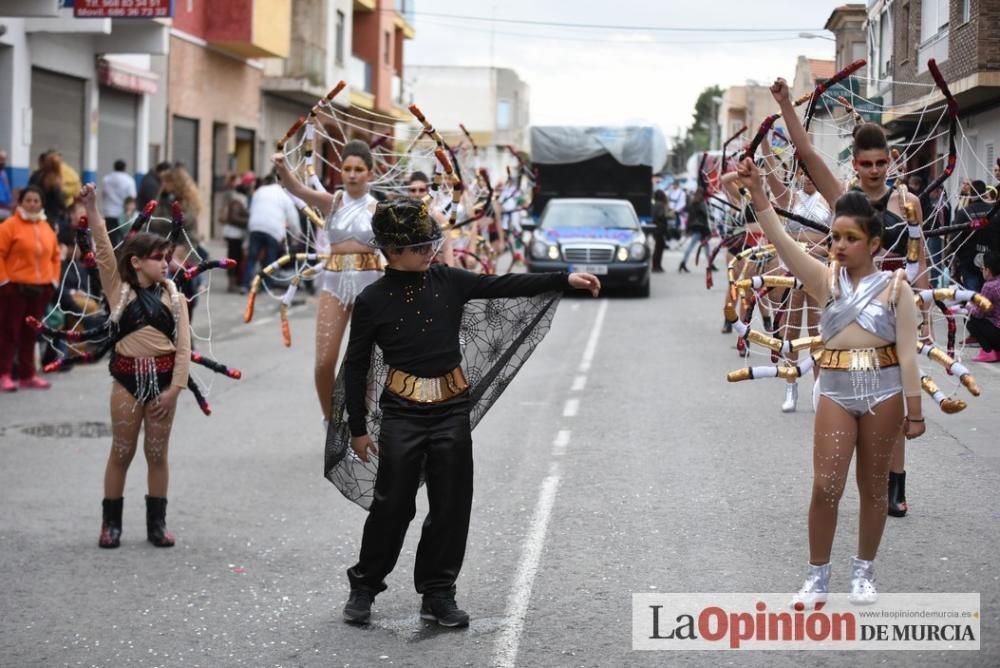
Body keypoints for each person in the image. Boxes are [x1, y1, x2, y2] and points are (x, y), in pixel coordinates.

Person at [338, 198, 601, 626]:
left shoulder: (450, 281)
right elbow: (356, 364)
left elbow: (503, 285)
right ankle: (365, 585)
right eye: (419, 246)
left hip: (451, 413)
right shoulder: (372, 301)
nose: (429, 252)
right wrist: (357, 428)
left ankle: (438, 593)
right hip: (400, 416)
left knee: (451, 504)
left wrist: (563, 278)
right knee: (393, 505)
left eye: (430, 244)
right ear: (391, 250)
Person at [737, 157, 924, 606]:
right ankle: (817, 575)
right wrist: (760, 194)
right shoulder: (825, 282)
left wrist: (914, 411)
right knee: (826, 486)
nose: (838, 245)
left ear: (874, 243)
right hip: (837, 393)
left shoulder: (897, 289)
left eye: (850, 238)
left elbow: (908, 354)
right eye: (835, 237)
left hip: (885, 394)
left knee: (874, 487)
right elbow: (781, 241)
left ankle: (864, 572)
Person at [771, 77, 927, 518]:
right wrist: (785, 104)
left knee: (893, 394)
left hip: (896, 305)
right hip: (850, 308)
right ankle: (838, 477)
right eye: (867, 163)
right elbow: (807, 156)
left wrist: (925, 307)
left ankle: (894, 485)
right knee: (844, 393)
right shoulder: (845, 200)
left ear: (890, 160)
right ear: (855, 165)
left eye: (882, 162)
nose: (875, 170)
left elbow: (921, 256)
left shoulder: (907, 201)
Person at [78, 183, 191, 549]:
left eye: (167, 257)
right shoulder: (117, 290)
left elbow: (184, 350)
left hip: (163, 384)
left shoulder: (176, 300)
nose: (165, 262)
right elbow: (104, 250)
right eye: (158, 257)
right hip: (125, 381)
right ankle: (110, 524)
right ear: (137, 262)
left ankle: (156, 525)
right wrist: (92, 207)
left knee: (157, 455)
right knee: (122, 452)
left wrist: (174, 390)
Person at [272, 139, 383, 424]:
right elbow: (297, 189)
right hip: (333, 283)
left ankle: (361, 425)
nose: (353, 174)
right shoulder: (331, 202)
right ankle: (331, 420)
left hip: (370, 286)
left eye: (359, 169)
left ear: (369, 173)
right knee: (324, 362)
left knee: (365, 364)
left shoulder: (379, 210)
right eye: (347, 168)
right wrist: (282, 167)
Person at [0, 186, 61, 391]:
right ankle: (5, 374)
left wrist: (53, 281)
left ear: (41, 204)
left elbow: (55, 256)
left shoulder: (47, 228)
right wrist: (4, 282)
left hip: (40, 290)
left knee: (30, 334)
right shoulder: (9, 226)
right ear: (21, 202)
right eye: (28, 200)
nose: (32, 204)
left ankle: (28, 375)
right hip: (14, 289)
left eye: (36, 200)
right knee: (9, 332)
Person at [241, 172, 299, 291]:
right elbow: (293, 217)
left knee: (252, 257)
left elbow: (252, 210)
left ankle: (245, 284)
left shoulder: (259, 191)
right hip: (274, 229)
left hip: (255, 226)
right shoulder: (283, 194)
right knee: (270, 258)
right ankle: (266, 286)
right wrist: (296, 234)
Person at [950, 180, 998, 294]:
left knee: (973, 298)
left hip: (969, 262)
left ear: (971, 194)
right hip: (992, 262)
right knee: (991, 298)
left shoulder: (964, 213)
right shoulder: (995, 212)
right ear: (984, 193)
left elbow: (955, 238)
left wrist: (960, 257)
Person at [219, 173, 251, 293]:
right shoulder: (237, 200)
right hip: (234, 234)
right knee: (234, 257)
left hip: (234, 233)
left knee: (234, 257)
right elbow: (233, 218)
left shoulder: (235, 198)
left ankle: (233, 282)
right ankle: (232, 283)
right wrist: (248, 220)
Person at [967, 251, 1000, 363]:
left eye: (982, 268)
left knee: (971, 320)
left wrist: (968, 306)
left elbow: (979, 314)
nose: (981, 271)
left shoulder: (989, 286)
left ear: (988, 270)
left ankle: (988, 351)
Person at [102, 159, 138, 246]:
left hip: (109, 212)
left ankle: (112, 257)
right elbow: (132, 197)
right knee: (124, 239)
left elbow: (104, 194)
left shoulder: (106, 179)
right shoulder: (129, 180)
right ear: (125, 168)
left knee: (111, 240)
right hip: (123, 214)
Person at [678, 188, 710, 273]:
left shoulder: (693, 203)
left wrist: (688, 228)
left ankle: (683, 263)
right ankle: (683, 263)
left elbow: (690, 218)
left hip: (696, 227)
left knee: (695, 246)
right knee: (704, 246)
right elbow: (706, 215)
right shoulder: (701, 204)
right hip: (702, 228)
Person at [651, 190, 669, 272]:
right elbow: (661, 215)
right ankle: (657, 265)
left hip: (656, 228)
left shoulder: (655, 204)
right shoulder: (661, 205)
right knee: (659, 248)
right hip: (660, 228)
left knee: (658, 247)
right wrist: (667, 214)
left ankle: (656, 265)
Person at [0, 149, 13, 219]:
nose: (3, 162)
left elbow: (7, 190)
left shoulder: (4, 173)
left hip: (6, 209)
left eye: (4, 159)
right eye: (1, 159)